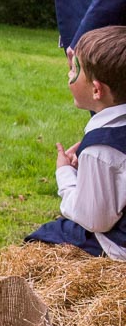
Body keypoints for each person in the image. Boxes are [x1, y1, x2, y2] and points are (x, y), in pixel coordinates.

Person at [27, 24, 126, 260]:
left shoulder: (99, 149)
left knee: (40, 238)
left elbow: (94, 219)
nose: (69, 75)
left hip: (117, 248)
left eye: (75, 71)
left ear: (96, 90)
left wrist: (65, 175)